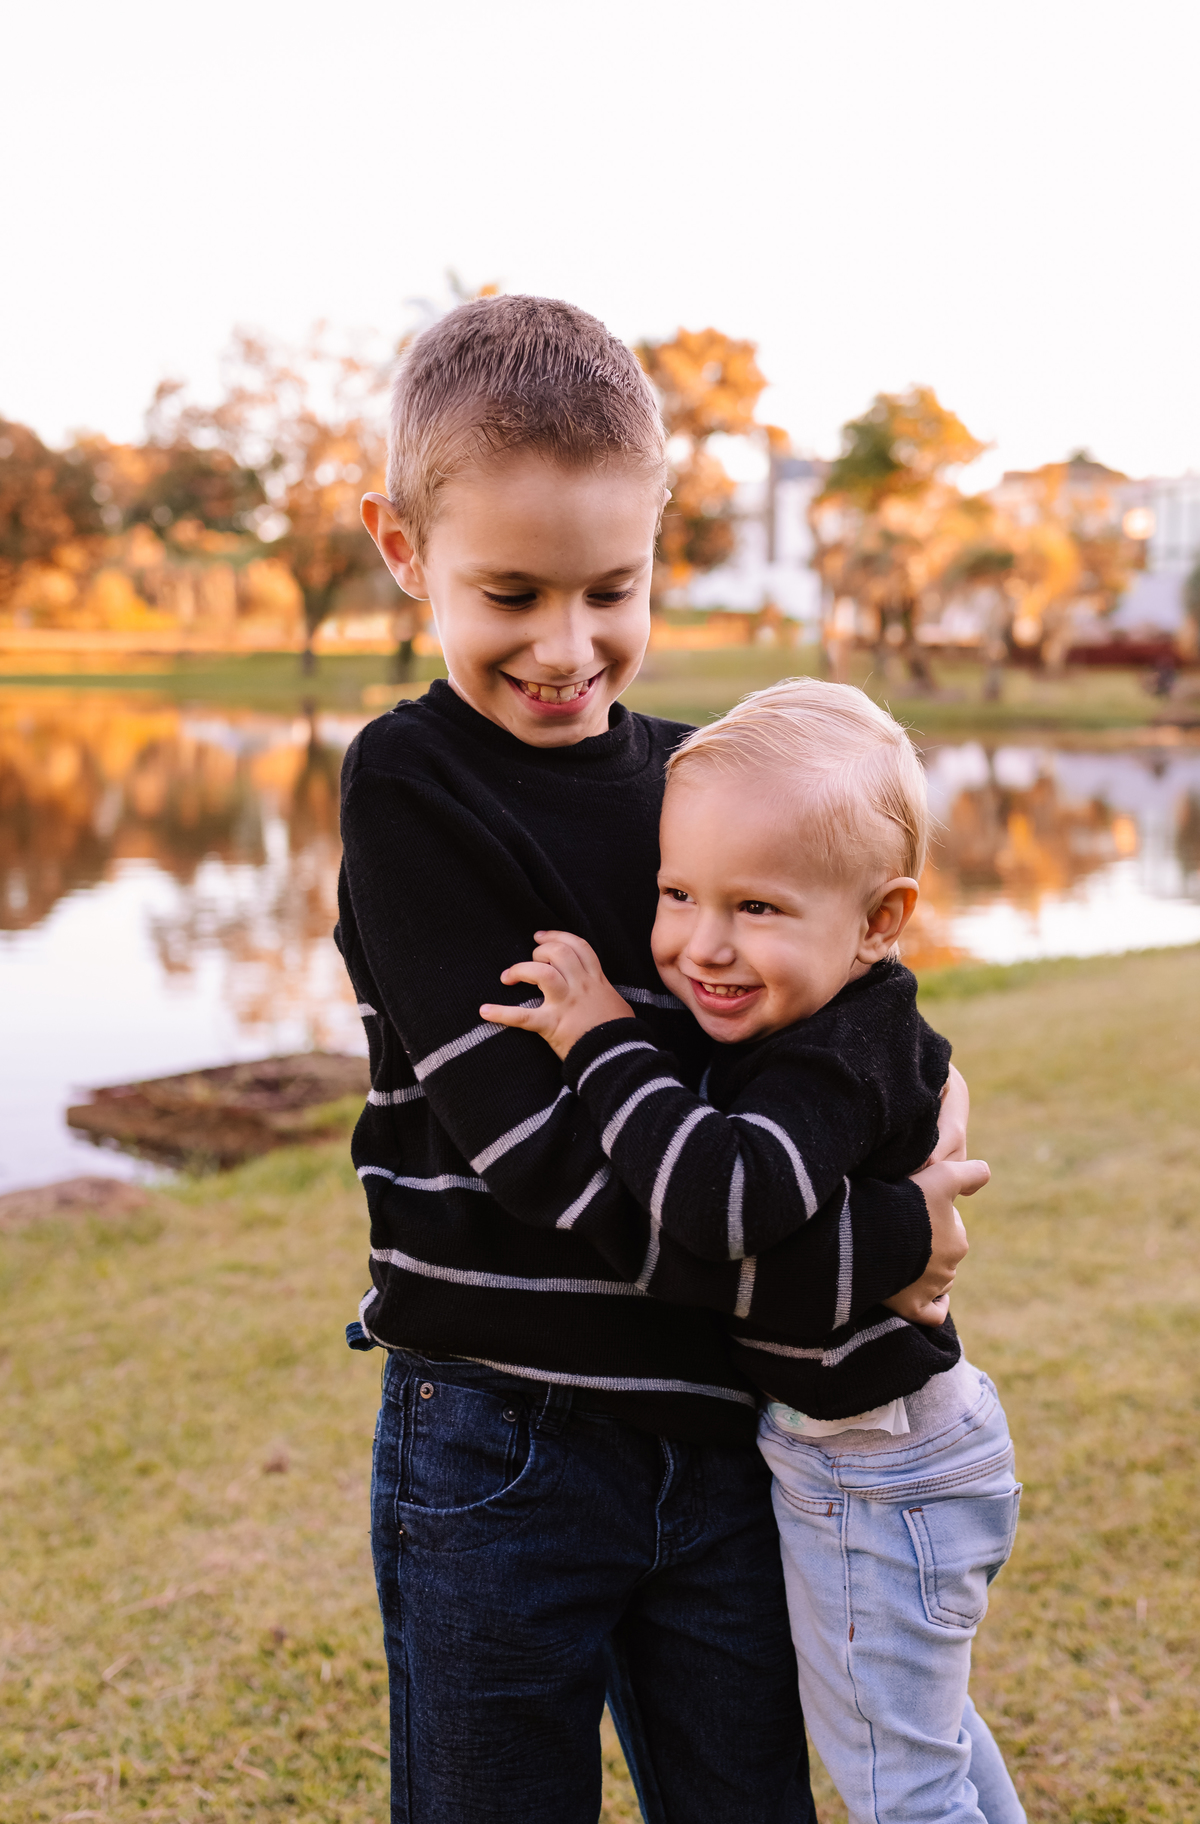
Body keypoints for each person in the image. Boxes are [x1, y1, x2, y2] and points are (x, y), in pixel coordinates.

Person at [337, 293, 980, 1824]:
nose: (567, 650)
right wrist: (897, 1232)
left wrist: (932, 1119)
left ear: (659, 547)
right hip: (501, 1440)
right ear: (401, 547)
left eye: (608, 590)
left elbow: (867, 1037)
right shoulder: (412, 791)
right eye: (511, 594)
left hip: (722, 1433)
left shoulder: (714, 786)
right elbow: (565, 1172)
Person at [483, 677, 1023, 1824]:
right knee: (927, 1742)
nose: (702, 946)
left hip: (877, 1470)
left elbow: (721, 1198)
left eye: (758, 909)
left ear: (879, 921)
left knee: (901, 1782)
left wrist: (602, 1037)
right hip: (891, 1453)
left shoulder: (836, 1056)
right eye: (678, 893)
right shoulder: (829, 1019)